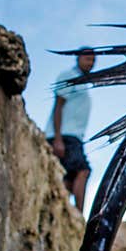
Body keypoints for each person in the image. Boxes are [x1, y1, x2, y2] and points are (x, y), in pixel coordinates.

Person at [45, 48, 96, 212]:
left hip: (73, 136)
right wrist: (58, 138)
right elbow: (58, 107)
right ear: (78, 58)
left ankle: (62, 212)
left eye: (93, 60)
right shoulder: (69, 76)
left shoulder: (82, 82)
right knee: (83, 170)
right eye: (88, 58)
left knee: (69, 177)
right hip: (66, 135)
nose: (91, 62)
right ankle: (78, 214)